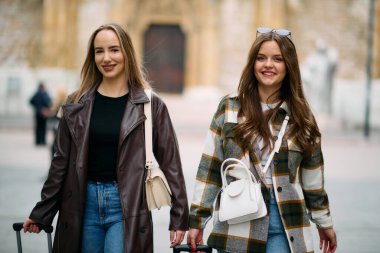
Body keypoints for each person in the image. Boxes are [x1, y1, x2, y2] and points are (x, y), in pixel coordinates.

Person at [23, 23, 189, 253]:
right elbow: (60, 162)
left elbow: (171, 164)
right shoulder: (75, 103)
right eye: (99, 51)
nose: (106, 58)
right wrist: (42, 212)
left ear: (127, 53)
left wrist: (180, 216)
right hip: (82, 204)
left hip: (126, 205)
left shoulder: (150, 105)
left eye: (114, 49)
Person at [187, 27, 337, 253]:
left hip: (286, 225)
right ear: (252, 64)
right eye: (261, 58)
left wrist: (324, 222)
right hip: (239, 221)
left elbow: (312, 179)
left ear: (289, 66)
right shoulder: (230, 107)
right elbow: (210, 167)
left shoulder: (301, 116)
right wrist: (197, 220)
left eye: (277, 59)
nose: (268, 64)